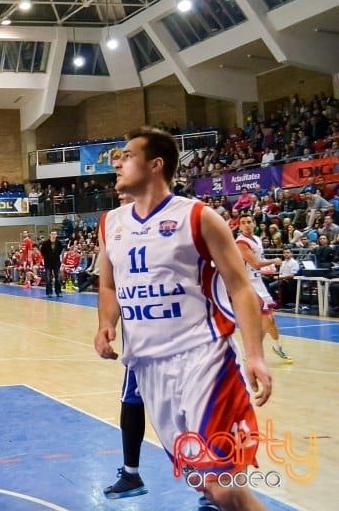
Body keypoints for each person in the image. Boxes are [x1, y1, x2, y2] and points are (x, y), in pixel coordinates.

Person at [94, 127, 272, 511]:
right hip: (147, 366)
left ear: (156, 164)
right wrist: (105, 324)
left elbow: (241, 287)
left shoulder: (198, 216)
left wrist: (255, 354)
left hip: (203, 359)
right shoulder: (110, 223)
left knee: (223, 487)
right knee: (204, 486)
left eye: (127, 155)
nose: (118, 162)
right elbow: (108, 285)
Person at [236, 214, 292, 363]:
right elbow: (255, 263)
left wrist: (268, 267)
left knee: (271, 320)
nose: (246, 225)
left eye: (249, 222)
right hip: (246, 283)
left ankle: (277, 347)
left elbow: (258, 264)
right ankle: (253, 351)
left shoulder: (258, 240)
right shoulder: (241, 242)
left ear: (254, 223)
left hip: (258, 281)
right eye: (243, 223)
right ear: (239, 226)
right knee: (265, 317)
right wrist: (274, 260)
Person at [39, 230, 63, 297]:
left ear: (56, 235)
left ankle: (58, 292)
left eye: (55, 234)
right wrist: (48, 256)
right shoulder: (45, 243)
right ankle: (49, 293)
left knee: (58, 278)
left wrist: (54, 256)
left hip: (56, 263)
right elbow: (42, 252)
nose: (53, 235)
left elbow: (60, 252)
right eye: (52, 234)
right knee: (48, 279)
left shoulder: (59, 243)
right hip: (48, 263)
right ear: (50, 235)